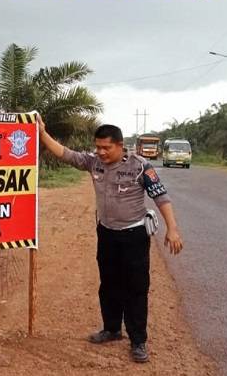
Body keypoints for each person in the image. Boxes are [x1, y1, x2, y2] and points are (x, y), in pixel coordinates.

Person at [37, 118, 184, 363]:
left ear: (120, 145)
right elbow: (65, 154)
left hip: (134, 236)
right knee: (109, 284)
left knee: (136, 288)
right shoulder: (93, 162)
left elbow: (161, 197)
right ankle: (112, 329)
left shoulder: (140, 166)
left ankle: (138, 341)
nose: (101, 152)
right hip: (106, 234)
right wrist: (42, 133)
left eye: (106, 147)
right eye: (98, 147)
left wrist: (173, 229)